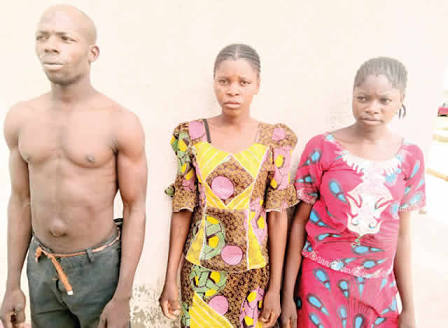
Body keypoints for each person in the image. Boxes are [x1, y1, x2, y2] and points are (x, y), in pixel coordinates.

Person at [0, 5, 147, 328]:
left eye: (65, 38)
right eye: (42, 37)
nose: (50, 46)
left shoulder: (120, 122)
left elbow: (135, 209)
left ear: (92, 52)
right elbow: (21, 201)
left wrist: (123, 296)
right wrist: (12, 283)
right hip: (41, 265)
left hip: (99, 268)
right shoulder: (21, 119)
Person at [159, 44, 298, 328]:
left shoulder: (275, 140)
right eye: (224, 81)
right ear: (214, 82)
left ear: (257, 85)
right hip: (200, 274)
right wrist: (169, 278)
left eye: (243, 82)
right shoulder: (192, 135)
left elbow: (277, 216)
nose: (233, 90)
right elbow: (183, 209)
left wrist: (275, 290)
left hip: (254, 276)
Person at [281, 57, 425, 328]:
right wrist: (287, 294)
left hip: (377, 290)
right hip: (321, 283)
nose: (372, 108)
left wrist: (408, 308)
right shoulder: (323, 147)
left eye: (384, 100)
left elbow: (403, 236)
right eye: (363, 98)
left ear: (401, 99)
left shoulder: (410, 158)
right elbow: (299, 222)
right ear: (352, 95)